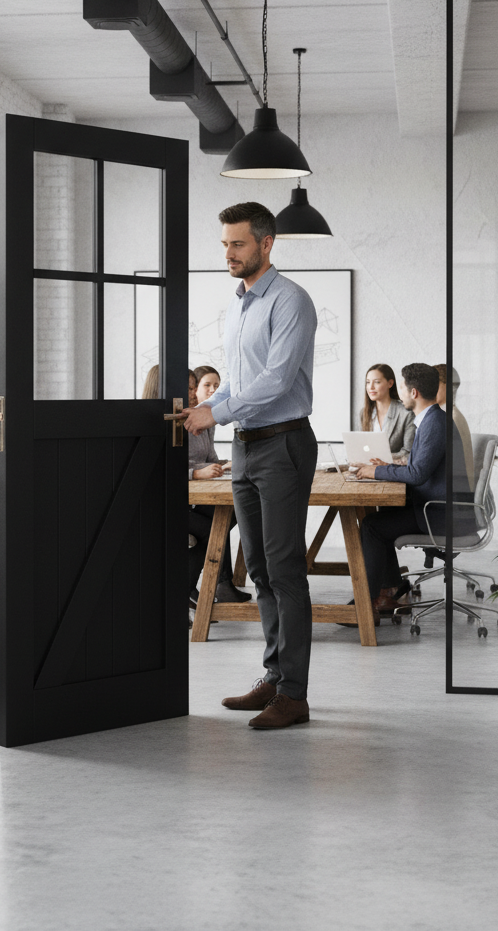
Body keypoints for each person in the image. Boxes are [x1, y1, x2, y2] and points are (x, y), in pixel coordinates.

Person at [182, 201, 318, 730]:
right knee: (258, 569)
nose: (229, 254)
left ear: (266, 243)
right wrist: (215, 413)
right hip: (244, 445)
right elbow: (240, 380)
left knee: (285, 571)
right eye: (225, 244)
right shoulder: (240, 306)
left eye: (238, 244)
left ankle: (295, 695)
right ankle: (273, 676)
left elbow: (277, 381)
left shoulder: (291, 301)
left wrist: (214, 410)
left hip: (283, 443)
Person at [351, 363, 472, 616]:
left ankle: (368, 605)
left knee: (372, 527)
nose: (401, 394)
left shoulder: (434, 423)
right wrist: (386, 466)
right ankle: (388, 592)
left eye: (403, 388)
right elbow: (418, 465)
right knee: (377, 520)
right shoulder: (432, 419)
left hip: (439, 514)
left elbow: (417, 474)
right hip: (436, 507)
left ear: (414, 392)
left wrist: (376, 471)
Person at [187, 365, 250, 606]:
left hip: (197, 491)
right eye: (198, 387)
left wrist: (224, 465)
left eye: (194, 388)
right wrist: (196, 472)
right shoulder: (176, 421)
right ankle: (215, 584)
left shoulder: (206, 422)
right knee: (218, 524)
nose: (195, 394)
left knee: (228, 514)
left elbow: (209, 459)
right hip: (182, 497)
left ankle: (216, 585)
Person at [360, 362, 415, 461]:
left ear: (390, 383)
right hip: (368, 470)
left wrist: (380, 459)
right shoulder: (364, 413)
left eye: (377, 382)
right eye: (368, 382)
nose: (371, 387)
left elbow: (408, 452)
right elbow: (362, 448)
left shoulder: (406, 413)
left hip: (393, 472)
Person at [434, 362, 475, 491]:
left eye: (433, 384)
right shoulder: (452, 414)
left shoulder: (448, 418)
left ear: (445, 387)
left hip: (452, 494)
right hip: (456, 489)